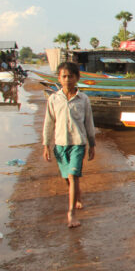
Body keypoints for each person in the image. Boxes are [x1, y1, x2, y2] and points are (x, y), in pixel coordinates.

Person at [42, 62, 96, 228]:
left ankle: (71, 213)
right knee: (68, 178)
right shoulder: (54, 99)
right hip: (60, 144)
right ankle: (77, 197)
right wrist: (46, 144)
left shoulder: (83, 99)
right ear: (59, 78)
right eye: (64, 76)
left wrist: (92, 144)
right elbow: (49, 122)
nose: (67, 80)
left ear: (77, 78)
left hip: (78, 144)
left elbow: (89, 122)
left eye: (70, 76)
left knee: (73, 176)